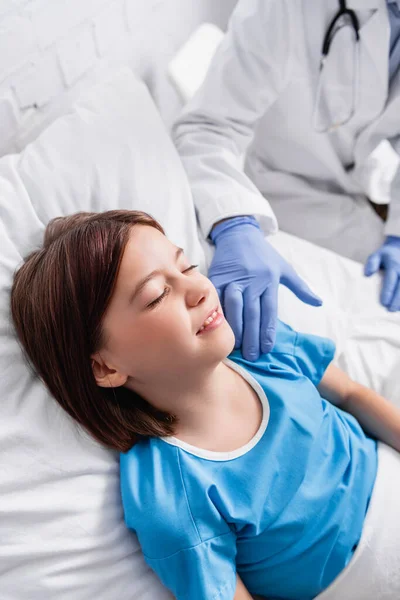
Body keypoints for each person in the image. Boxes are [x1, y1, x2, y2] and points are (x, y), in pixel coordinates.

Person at [10, 210, 400, 600]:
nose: (198, 289)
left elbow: (352, 396)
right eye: (157, 295)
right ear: (105, 366)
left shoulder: (260, 347)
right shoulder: (171, 492)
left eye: (188, 266)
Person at [173, 0, 400, 363]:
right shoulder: (284, 7)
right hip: (283, 191)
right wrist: (234, 222)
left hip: (365, 186)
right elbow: (208, 127)